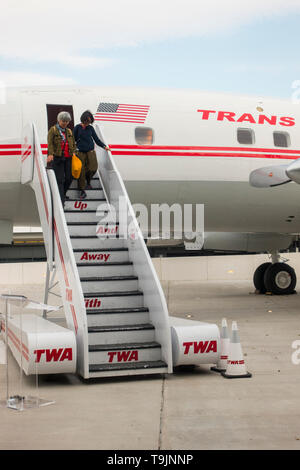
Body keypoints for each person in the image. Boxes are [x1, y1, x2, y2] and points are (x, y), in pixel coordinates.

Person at [73, 110, 109, 199]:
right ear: (83, 119)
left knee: (93, 168)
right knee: (81, 171)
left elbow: (96, 139)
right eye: (87, 121)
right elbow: (73, 139)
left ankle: (88, 181)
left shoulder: (90, 128)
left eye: (89, 122)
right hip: (80, 151)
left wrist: (104, 146)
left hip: (90, 151)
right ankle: (82, 190)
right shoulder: (77, 128)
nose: (88, 123)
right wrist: (73, 150)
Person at [47, 111, 76, 205]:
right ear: (59, 120)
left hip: (68, 157)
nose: (65, 123)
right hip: (58, 157)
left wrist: (74, 152)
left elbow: (72, 143)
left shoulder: (69, 131)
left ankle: (62, 194)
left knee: (69, 178)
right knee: (60, 179)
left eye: (67, 121)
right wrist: (50, 154)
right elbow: (50, 143)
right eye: (63, 121)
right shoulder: (53, 130)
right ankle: (61, 201)